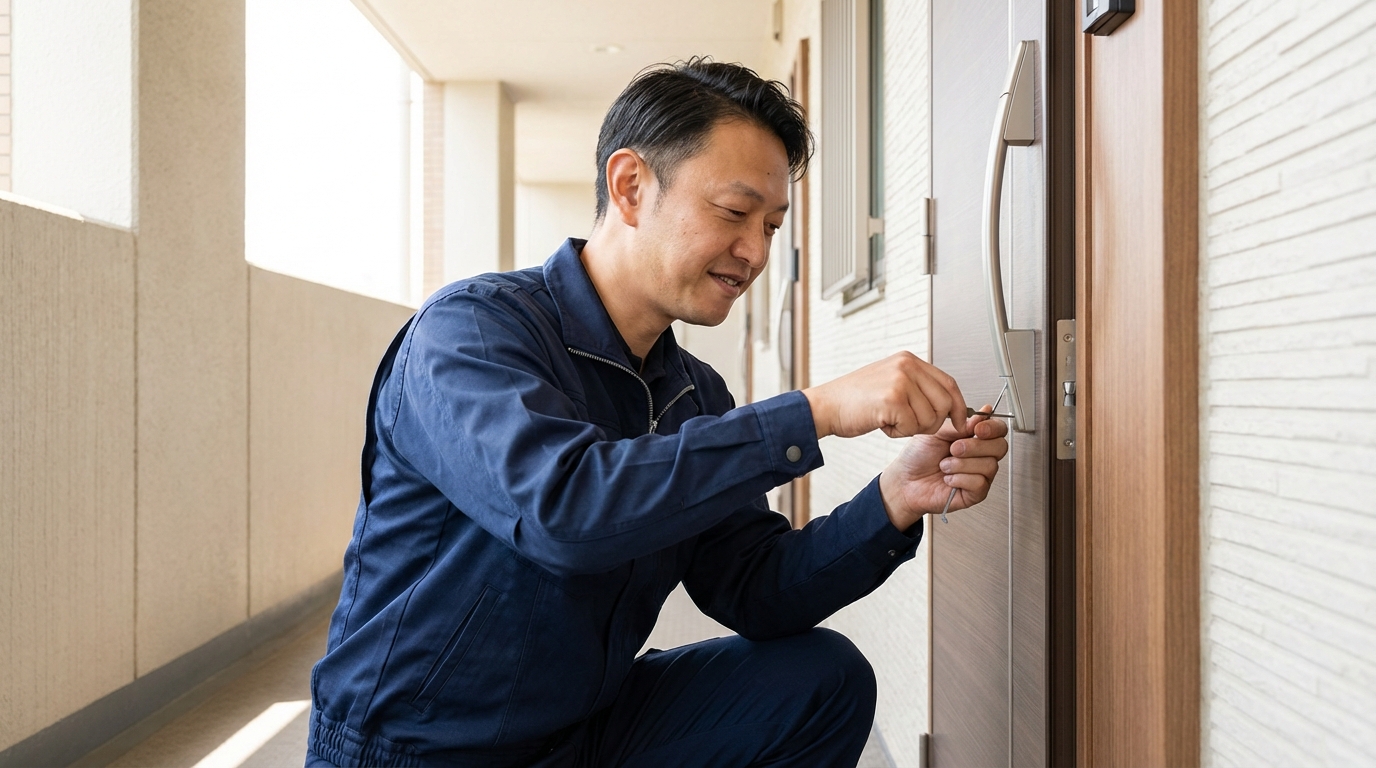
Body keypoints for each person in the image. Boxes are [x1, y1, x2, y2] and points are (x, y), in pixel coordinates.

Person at [306, 58, 1008, 768]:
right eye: (734, 213)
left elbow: (755, 588)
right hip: (416, 751)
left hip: (582, 731)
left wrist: (894, 499)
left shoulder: (692, 392)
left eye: (772, 226)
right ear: (631, 186)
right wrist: (813, 411)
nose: (755, 252)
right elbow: (565, 511)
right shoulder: (470, 332)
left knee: (821, 680)